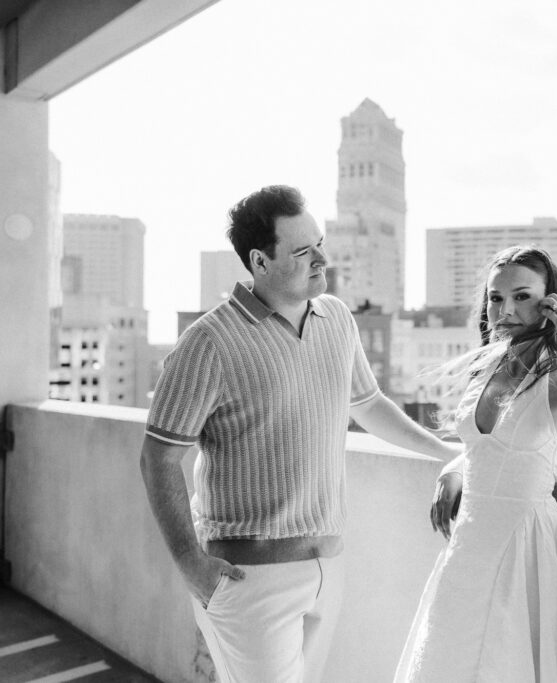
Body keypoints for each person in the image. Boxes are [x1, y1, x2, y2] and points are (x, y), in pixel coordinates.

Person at [139, 185, 460, 683]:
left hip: (328, 566)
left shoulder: (337, 318)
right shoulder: (208, 342)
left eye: (320, 244)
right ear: (259, 261)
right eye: (302, 251)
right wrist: (189, 564)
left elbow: (368, 404)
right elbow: (157, 459)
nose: (321, 259)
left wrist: (445, 453)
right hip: (248, 577)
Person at [394, 245, 557, 682]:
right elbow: (491, 447)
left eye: (522, 297)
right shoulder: (487, 367)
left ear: (550, 303)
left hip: (528, 548)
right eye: (496, 297)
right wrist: (454, 469)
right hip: (469, 544)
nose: (505, 310)